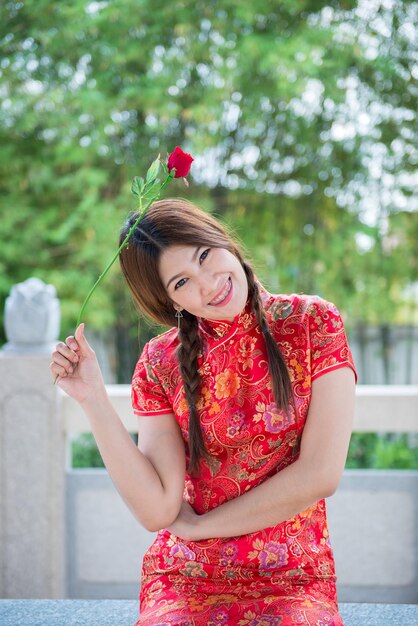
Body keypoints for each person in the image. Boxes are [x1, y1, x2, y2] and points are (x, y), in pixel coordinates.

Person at [50, 198, 357, 626]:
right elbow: (158, 510)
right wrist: (92, 398)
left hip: (291, 575)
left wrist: (202, 527)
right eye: (182, 282)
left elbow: (321, 474)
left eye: (205, 256)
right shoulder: (160, 362)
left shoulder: (312, 323)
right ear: (170, 301)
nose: (209, 284)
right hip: (186, 577)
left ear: (222, 240)